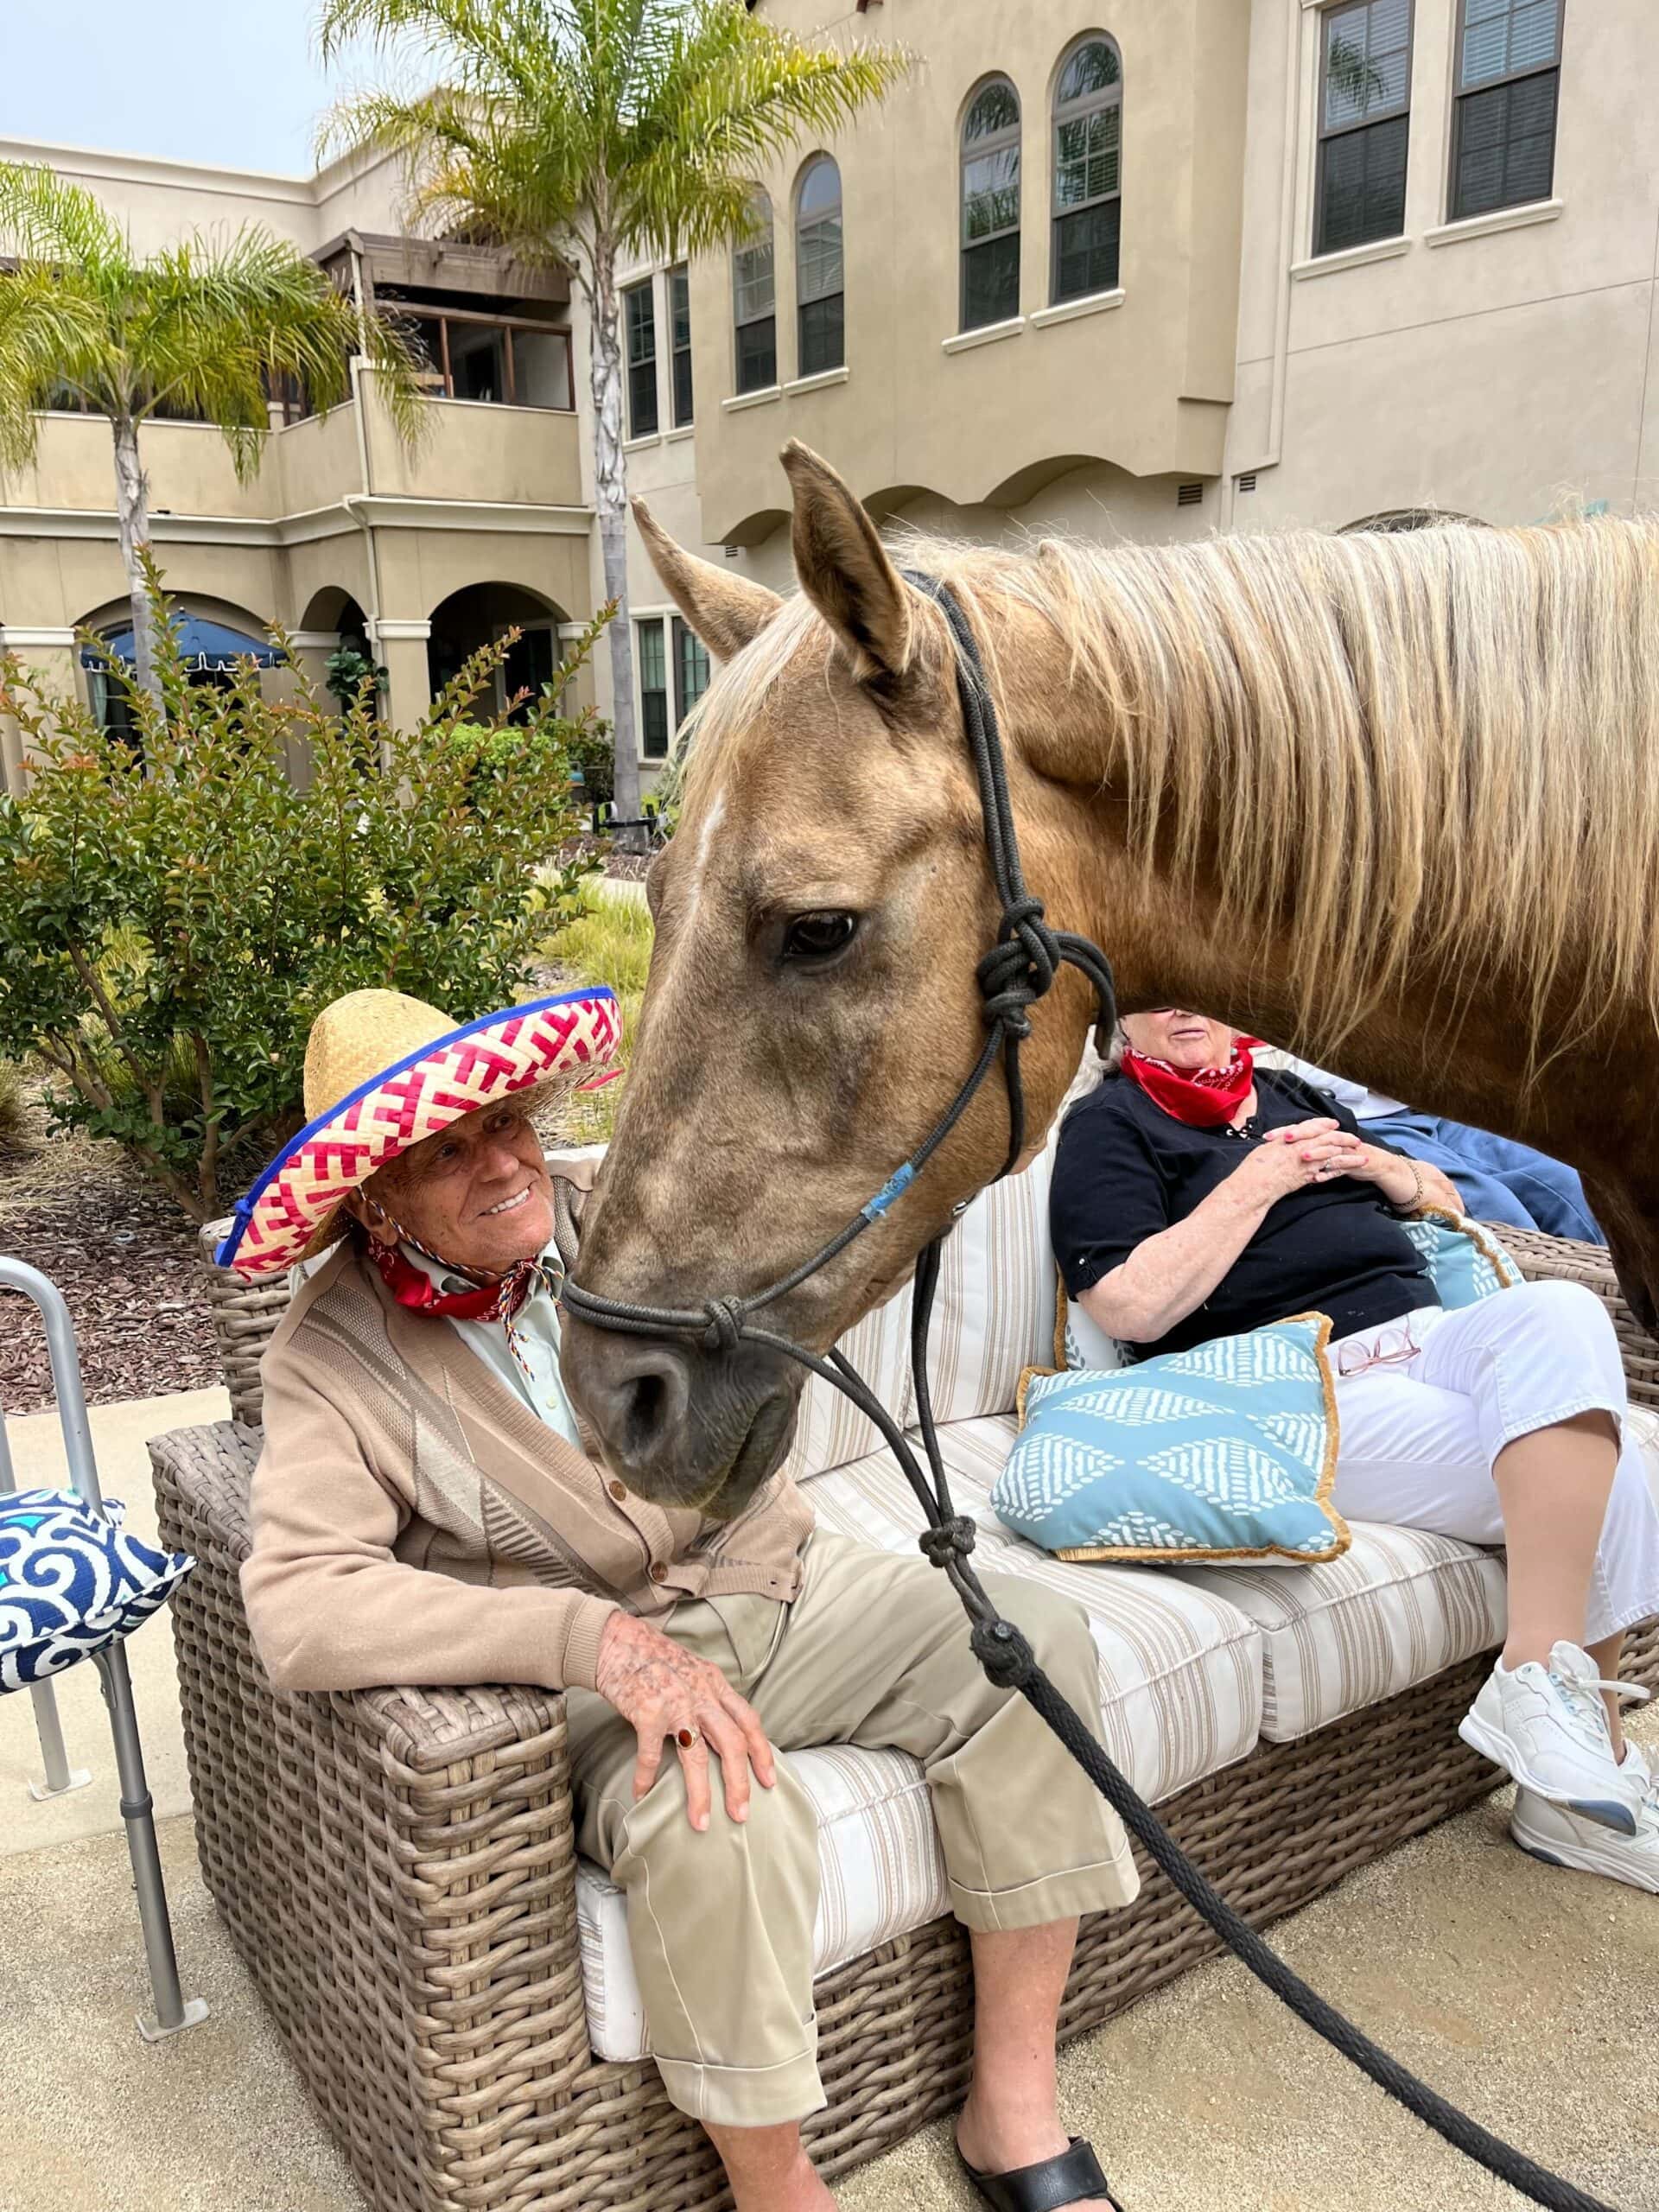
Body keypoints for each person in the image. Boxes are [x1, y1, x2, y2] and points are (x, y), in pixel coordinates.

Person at [224, 986, 1138, 2212]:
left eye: (507, 1124)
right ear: (374, 1198)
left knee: (1030, 1645)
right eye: (445, 1151)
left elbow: (760, 1372)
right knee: (724, 1816)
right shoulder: (331, 1354)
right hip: (594, 1682)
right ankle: (777, 2189)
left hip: (770, 1585)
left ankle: (1011, 2109)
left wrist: (759, 1541)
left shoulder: (619, 1227)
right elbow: (301, 1609)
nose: (502, 1163)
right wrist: (585, 1635)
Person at [1050, 1009, 1659, 1894]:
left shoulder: (1290, 1092)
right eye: (1157, 995)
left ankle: (1540, 1688)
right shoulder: (1111, 1125)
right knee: (1609, 1465)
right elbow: (1127, 1306)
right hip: (1302, 1390)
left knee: (1565, 1314)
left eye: (1199, 993)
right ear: (1122, 1025)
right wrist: (1259, 1179)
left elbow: (1443, 1199)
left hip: (1430, 1337)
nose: (1184, 1008)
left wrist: (1380, 1166)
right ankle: (1576, 1787)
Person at [1275, 1051, 1603, 1243]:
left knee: (1565, 1181)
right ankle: (1529, 1303)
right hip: (1359, 1121)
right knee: (1494, 1205)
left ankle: (1612, 1307)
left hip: (1442, 1107)